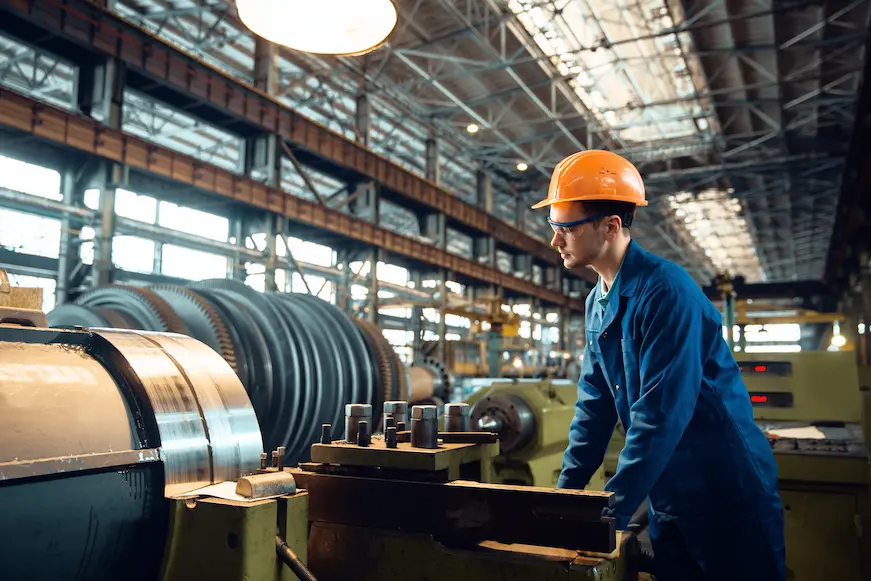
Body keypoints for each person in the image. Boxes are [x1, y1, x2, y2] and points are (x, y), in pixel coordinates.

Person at [531, 150, 785, 580]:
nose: (555, 241)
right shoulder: (598, 301)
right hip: (669, 491)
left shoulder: (666, 292)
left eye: (565, 229)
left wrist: (606, 516)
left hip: (725, 491)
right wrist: (566, 499)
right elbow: (594, 407)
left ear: (610, 226)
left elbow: (660, 418)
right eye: (553, 228)